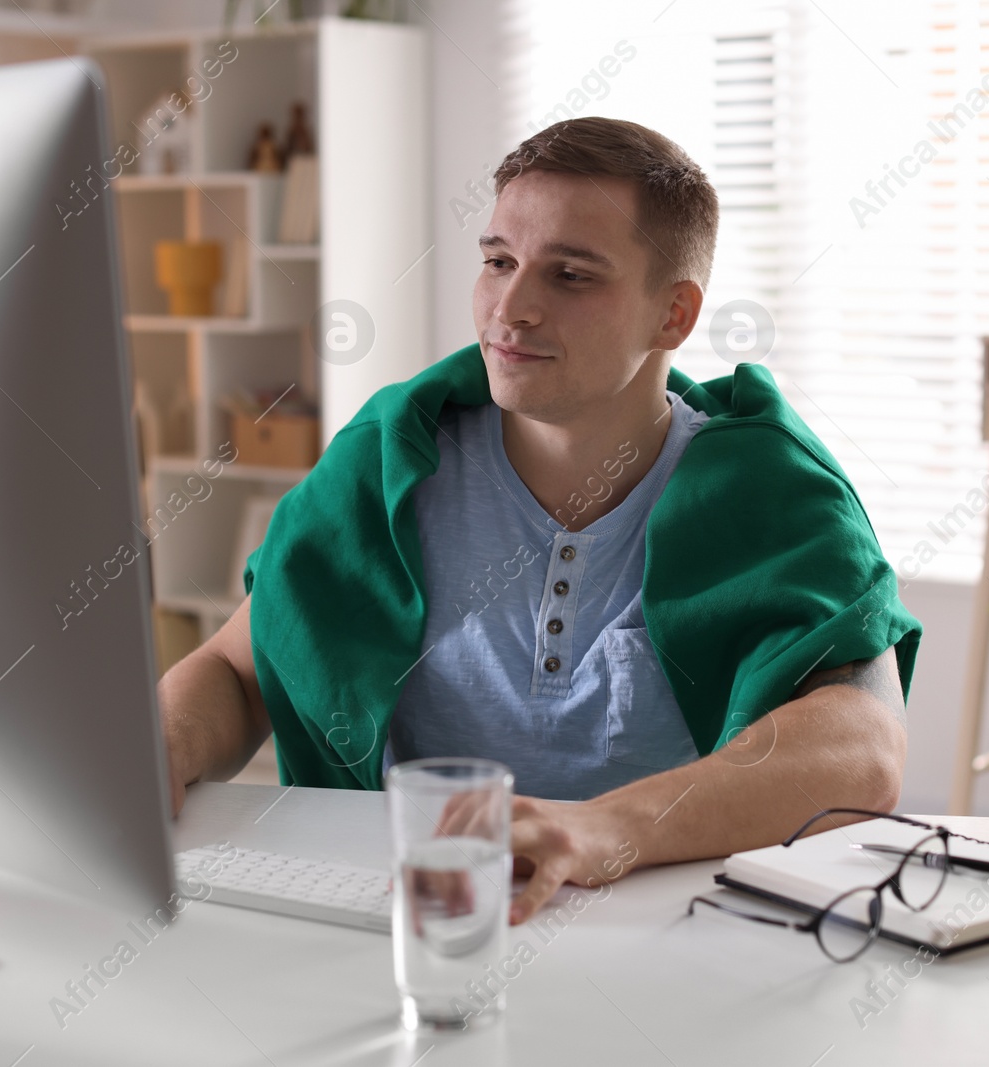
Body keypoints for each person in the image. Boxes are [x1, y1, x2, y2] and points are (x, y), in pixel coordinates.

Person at [158, 116, 922, 925]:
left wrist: (601, 828)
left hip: (670, 940)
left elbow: (864, 750)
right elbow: (241, 670)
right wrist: (166, 739)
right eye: (498, 262)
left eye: (571, 275)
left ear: (673, 315)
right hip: (413, 919)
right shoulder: (386, 462)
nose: (511, 308)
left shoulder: (770, 489)